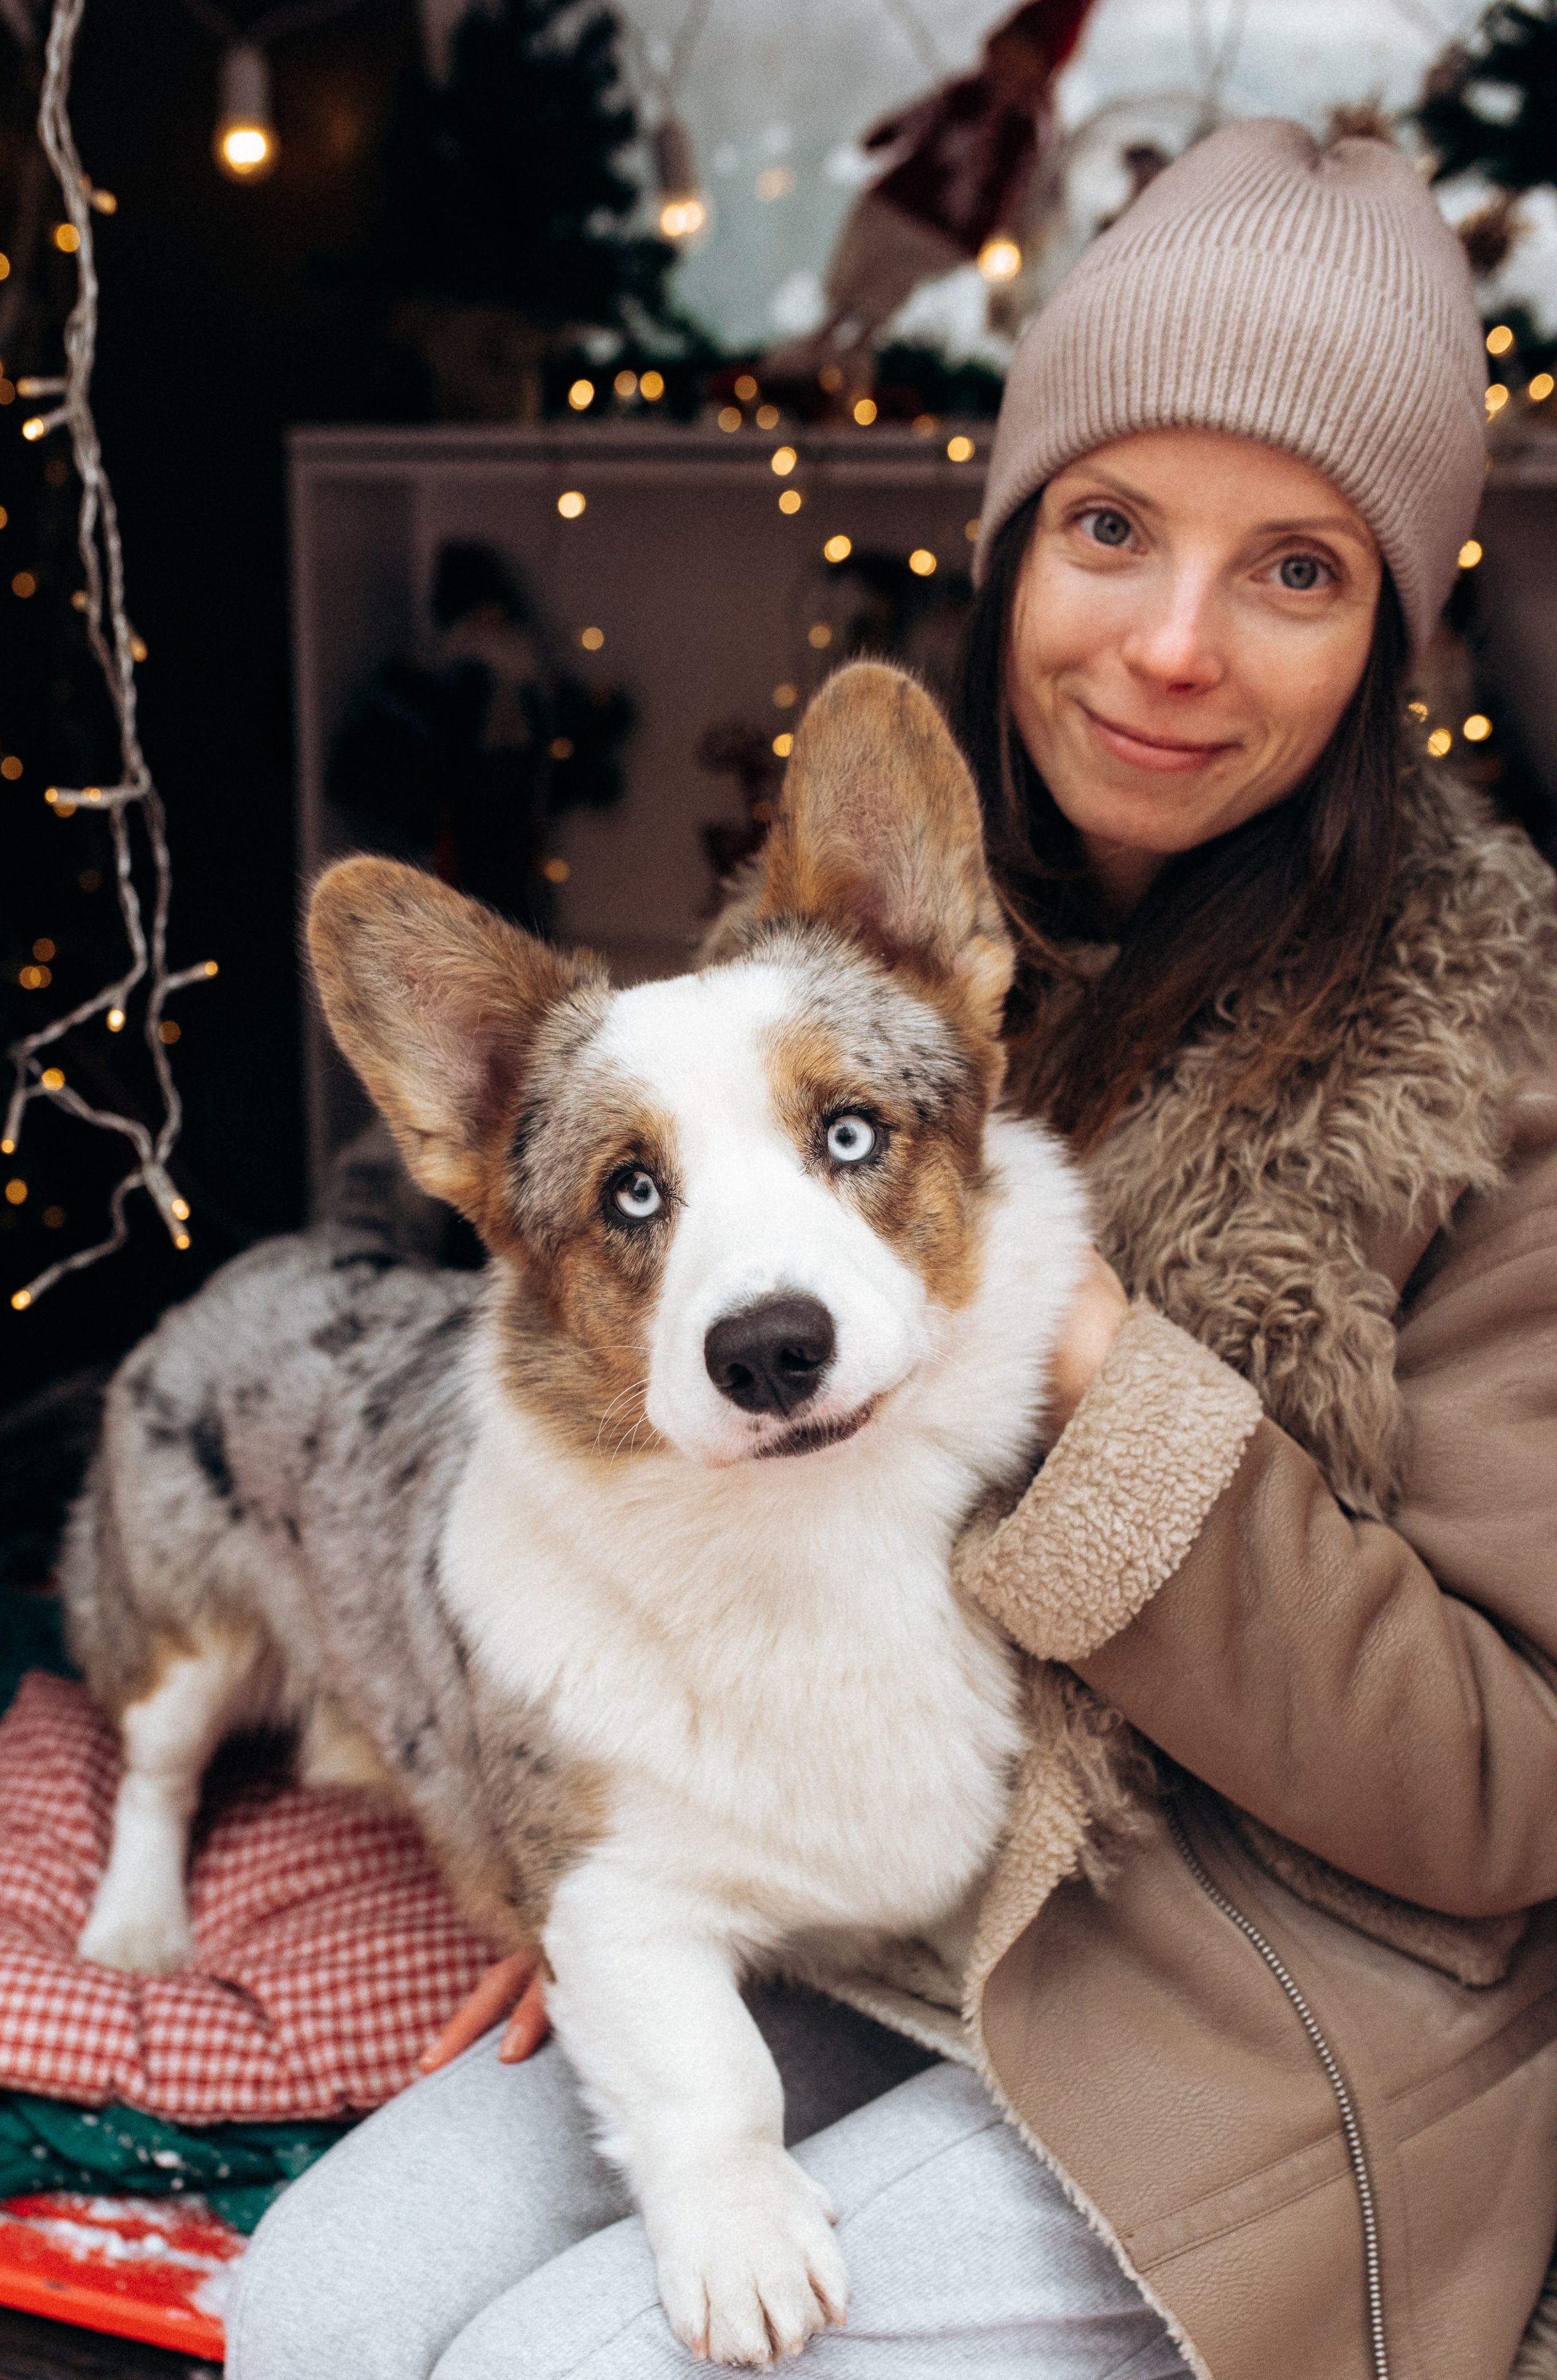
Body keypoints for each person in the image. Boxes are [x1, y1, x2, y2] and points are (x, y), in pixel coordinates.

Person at [228, 120, 1557, 2380]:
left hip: (1246, 1983)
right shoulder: (857, 955)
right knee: (321, 2311)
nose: (1166, 647)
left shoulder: (1498, 1075)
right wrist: (609, 1874)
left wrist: (1109, 1392)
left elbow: (1507, 1787)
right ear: (1017, 535)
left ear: (1395, 624)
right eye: (1114, 527)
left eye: (1296, 571)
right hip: (868, 1919)